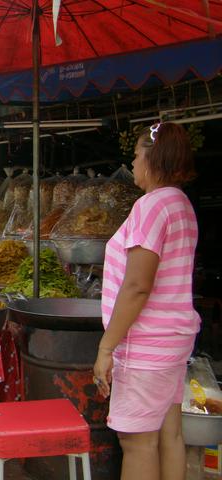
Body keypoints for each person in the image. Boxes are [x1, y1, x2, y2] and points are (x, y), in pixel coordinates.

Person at [93, 123, 200, 480]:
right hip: (172, 342)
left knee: (137, 442)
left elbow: (138, 284)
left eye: (137, 156)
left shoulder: (151, 206)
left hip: (145, 346)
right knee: (169, 434)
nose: (134, 164)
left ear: (153, 158)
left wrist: (107, 348)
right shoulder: (180, 204)